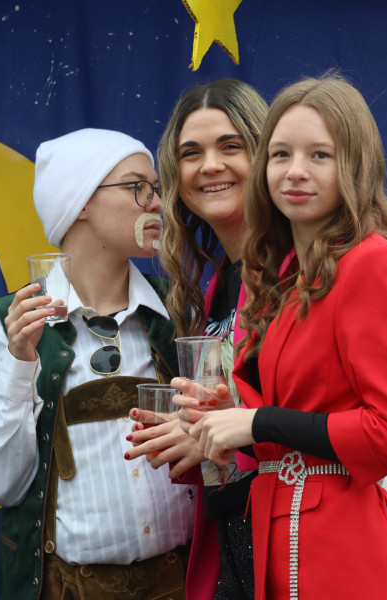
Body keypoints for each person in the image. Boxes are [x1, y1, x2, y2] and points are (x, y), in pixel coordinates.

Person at [129, 78, 387, 598]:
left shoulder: (370, 264)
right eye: (282, 155)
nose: (296, 171)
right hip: (272, 537)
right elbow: (294, 408)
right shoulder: (281, 277)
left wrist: (252, 421)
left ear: (354, 165)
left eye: (319, 155)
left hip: (339, 545)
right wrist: (221, 418)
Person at [0, 128, 196, 600]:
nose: (156, 203)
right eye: (137, 187)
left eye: (156, 189)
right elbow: (1, 486)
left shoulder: (179, 310)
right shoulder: (4, 325)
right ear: (80, 203)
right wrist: (20, 363)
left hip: (185, 582)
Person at [129, 78, 268, 600]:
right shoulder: (213, 286)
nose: (210, 165)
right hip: (232, 537)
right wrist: (187, 433)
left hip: (296, 536)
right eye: (191, 153)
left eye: (231, 146)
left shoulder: (299, 271)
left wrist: (216, 434)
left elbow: (330, 414)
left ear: (266, 155)